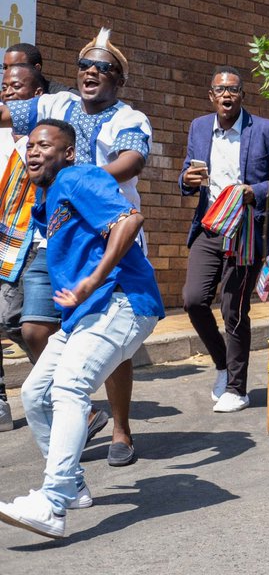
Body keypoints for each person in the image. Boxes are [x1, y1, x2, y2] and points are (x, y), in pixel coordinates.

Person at [0, 120, 163, 538]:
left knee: (69, 387)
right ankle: (71, 487)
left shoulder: (79, 176)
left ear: (68, 152)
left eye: (45, 145)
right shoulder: (46, 199)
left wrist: (94, 279)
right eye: (30, 146)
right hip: (86, 314)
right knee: (36, 395)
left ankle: (53, 503)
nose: (33, 151)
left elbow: (130, 220)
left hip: (121, 299)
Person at [0, 28, 152, 467]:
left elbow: (133, 161)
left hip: (110, 240)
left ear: (119, 80)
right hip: (56, 241)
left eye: (103, 68)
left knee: (109, 341)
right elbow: (10, 115)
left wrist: (82, 184)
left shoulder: (130, 117)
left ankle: (120, 427)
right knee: (33, 329)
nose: (91, 73)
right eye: (85, 66)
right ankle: (79, 417)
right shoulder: (55, 104)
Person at [180, 66, 269, 412]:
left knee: (233, 308)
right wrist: (187, 179)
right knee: (193, 300)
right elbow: (187, 172)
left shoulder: (268, 130)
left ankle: (237, 388)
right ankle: (224, 364)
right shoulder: (198, 127)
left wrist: (252, 192)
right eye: (220, 90)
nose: (226, 95)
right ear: (211, 96)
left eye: (233, 90)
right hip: (209, 226)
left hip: (246, 228)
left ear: (243, 95)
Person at [0, 63, 44, 431]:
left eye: (17, 86)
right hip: (3, 237)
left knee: (13, 320)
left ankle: (53, 387)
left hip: (30, 240)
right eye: (4, 86)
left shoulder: (43, 139)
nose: (8, 92)